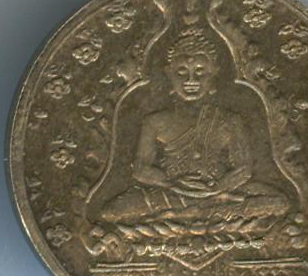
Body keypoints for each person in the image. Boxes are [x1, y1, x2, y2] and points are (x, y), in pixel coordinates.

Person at [98, 27, 288, 225]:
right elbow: (141, 169)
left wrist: (217, 189)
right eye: (182, 71)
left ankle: (182, 217)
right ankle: (202, 215)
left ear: (213, 73)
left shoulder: (230, 120)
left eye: (200, 72)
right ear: (169, 73)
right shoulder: (154, 121)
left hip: (220, 192)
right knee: (111, 212)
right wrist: (171, 184)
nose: (191, 80)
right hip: (170, 194)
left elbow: (244, 169)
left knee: (279, 203)